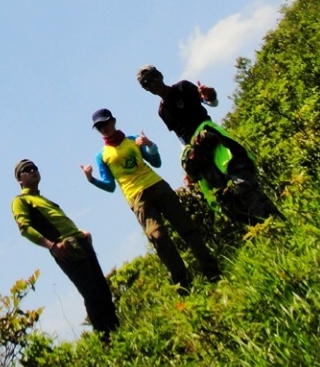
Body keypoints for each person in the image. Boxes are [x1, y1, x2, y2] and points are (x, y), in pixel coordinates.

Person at [81, 109, 220, 291]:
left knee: (187, 227)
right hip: (136, 197)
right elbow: (110, 185)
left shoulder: (132, 139)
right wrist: (91, 179)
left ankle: (213, 273)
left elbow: (156, 162)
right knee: (159, 238)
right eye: (99, 127)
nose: (104, 128)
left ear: (113, 121)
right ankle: (184, 285)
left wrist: (150, 145)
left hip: (157, 185)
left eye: (105, 123)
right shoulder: (102, 156)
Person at [136, 64, 281, 226]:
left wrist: (210, 96)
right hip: (197, 153)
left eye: (153, 78)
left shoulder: (183, 87)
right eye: (146, 83)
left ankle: (274, 220)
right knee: (223, 198)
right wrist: (188, 169)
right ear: (146, 89)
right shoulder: (162, 111)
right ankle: (261, 228)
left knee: (243, 182)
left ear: (160, 75)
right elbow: (181, 136)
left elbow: (209, 101)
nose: (152, 83)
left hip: (215, 139)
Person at [11, 159, 120, 338]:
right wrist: (52, 246)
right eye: (26, 170)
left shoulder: (43, 199)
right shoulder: (21, 200)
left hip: (80, 242)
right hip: (66, 248)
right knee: (91, 292)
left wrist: (81, 233)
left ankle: (116, 330)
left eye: (34, 168)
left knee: (102, 288)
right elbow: (24, 228)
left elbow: (59, 221)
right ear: (19, 179)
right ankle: (105, 337)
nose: (32, 171)